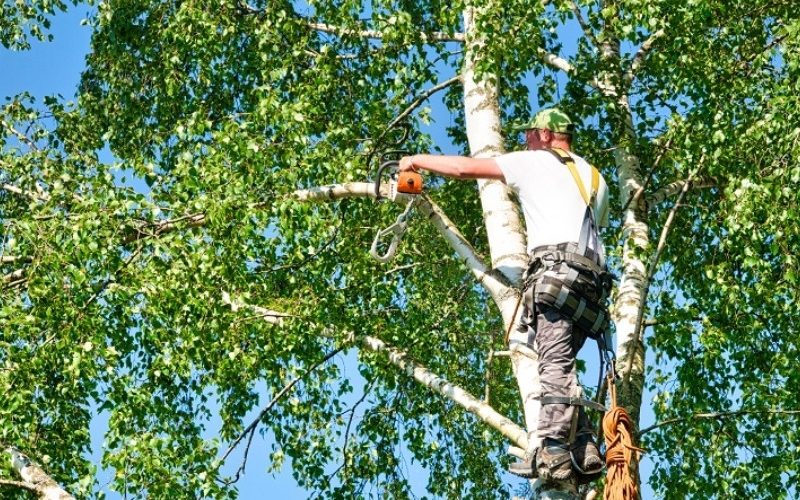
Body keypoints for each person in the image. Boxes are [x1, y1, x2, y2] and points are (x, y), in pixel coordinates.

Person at [398, 108, 611, 482]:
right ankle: (584, 445)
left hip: (556, 280)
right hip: (591, 289)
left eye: (529, 134)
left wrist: (415, 161)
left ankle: (554, 451)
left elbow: (465, 169)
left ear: (546, 135)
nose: (525, 141)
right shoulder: (595, 178)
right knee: (561, 363)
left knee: (553, 364)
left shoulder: (536, 161)